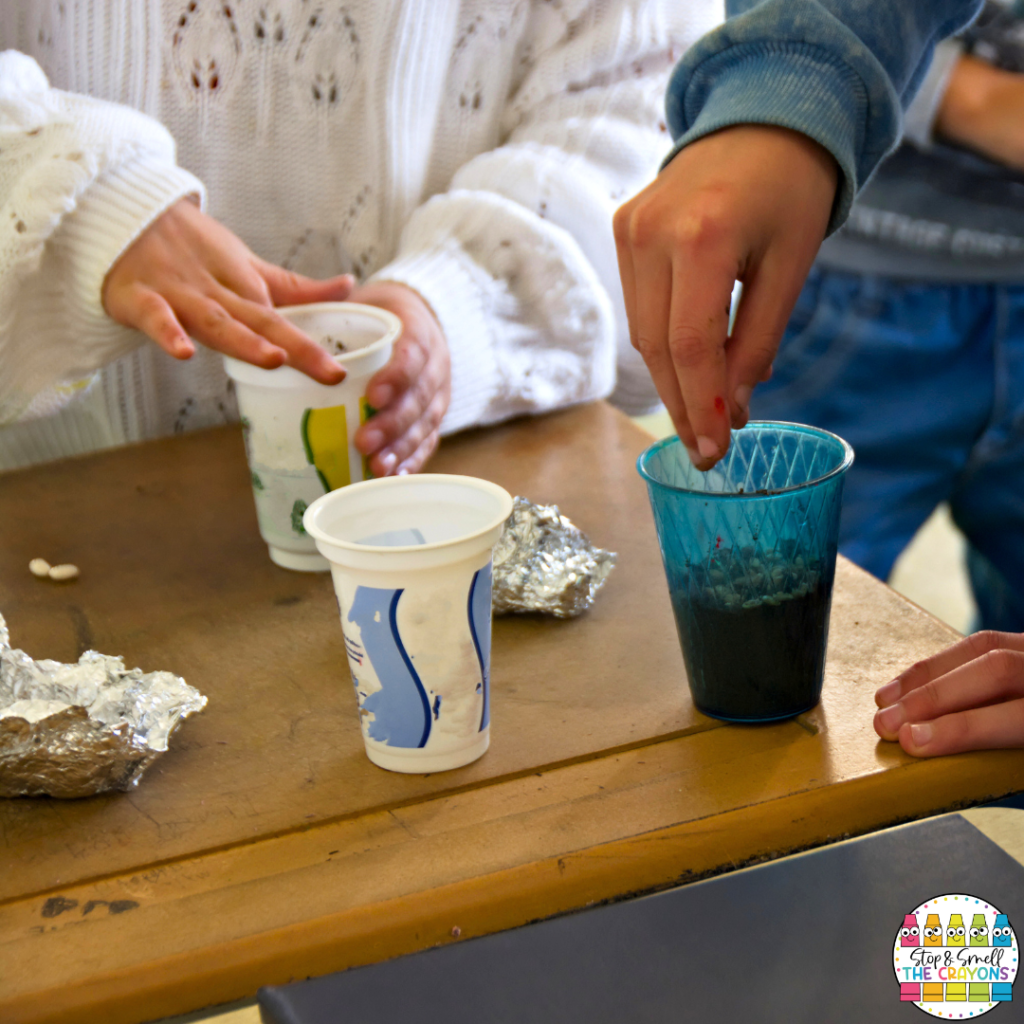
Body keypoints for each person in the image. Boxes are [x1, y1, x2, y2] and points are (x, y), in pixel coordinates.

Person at [0, 0, 729, 473]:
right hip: (46, 511)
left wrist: (451, 304)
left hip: (458, 486)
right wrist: (70, 191)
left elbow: (628, 102)